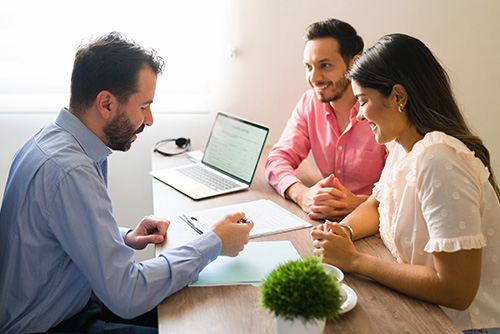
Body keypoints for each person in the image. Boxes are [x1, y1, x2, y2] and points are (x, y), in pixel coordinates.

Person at [0, 32, 253, 334]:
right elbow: (128, 295)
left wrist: (123, 237)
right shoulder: (71, 170)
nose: (149, 120)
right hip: (52, 324)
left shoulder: (49, 140)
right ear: (105, 103)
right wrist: (215, 242)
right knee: (203, 325)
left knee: (200, 306)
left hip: (70, 300)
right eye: (143, 106)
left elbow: (54, 235)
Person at [311, 33, 500, 332]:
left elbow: (456, 291)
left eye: (363, 101)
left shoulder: (440, 160)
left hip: (464, 326)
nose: (359, 115)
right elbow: (377, 205)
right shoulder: (404, 145)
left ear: (398, 96)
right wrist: (342, 231)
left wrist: (355, 260)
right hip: (421, 308)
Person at [265, 18, 387, 221]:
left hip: (377, 225)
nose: (314, 78)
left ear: (354, 64)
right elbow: (278, 158)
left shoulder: (382, 109)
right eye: (309, 67)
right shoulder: (309, 102)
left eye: (325, 65)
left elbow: (405, 188)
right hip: (325, 221)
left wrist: (358, 203)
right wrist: (302, 194)